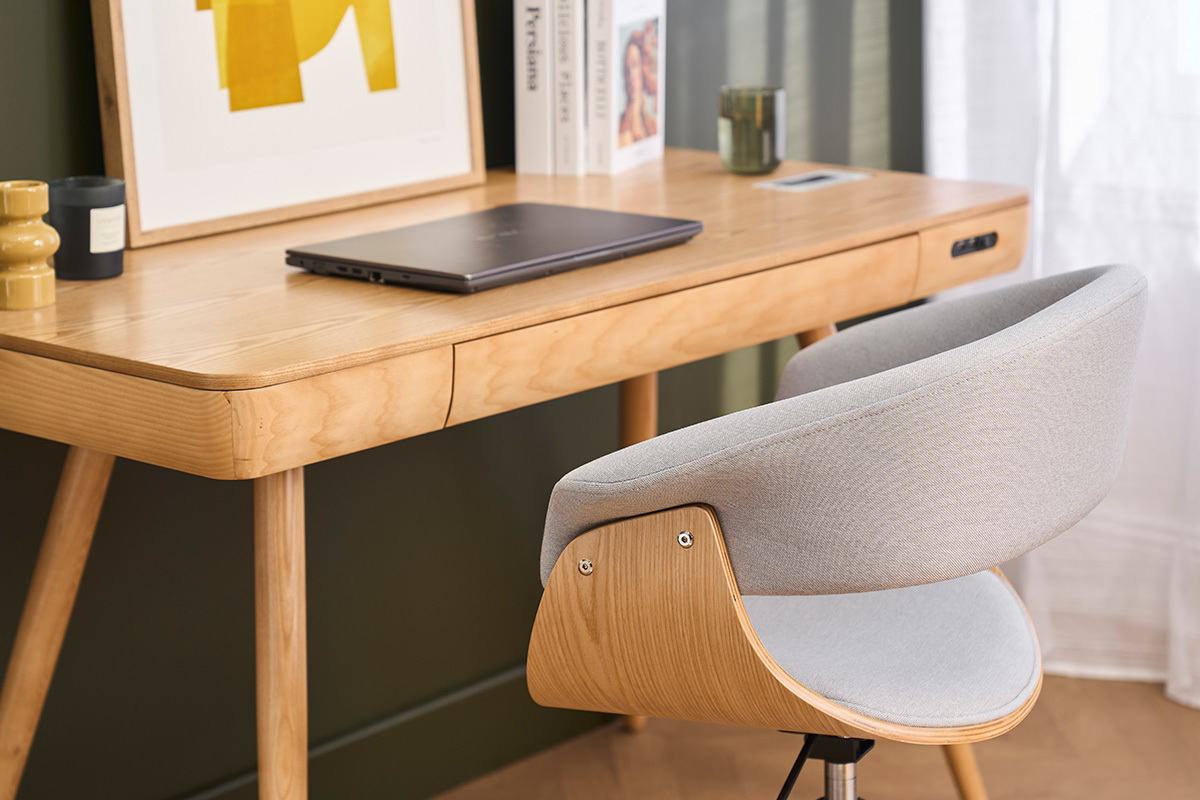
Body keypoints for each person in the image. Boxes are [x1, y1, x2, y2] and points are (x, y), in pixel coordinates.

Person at [618, 28, 658, 147]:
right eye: (627, 67)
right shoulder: (619, 127)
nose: (630, 75)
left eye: (635, 65)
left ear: (643, 69)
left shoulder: (651, 125)